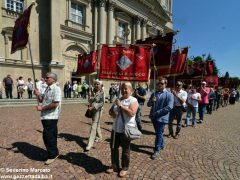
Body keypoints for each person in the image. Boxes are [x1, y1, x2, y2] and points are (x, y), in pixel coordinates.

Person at [107, 82, 138, 177]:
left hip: (126, 129)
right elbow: (111, 112)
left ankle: (125, 167)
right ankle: (115, 165)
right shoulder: (118, 99)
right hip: (115, 128)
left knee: (125, 149)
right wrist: (112, 112)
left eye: (126, 88)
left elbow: (132, 113)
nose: (124, 90)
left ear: (131, 90)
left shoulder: (133, 100)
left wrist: (121, 106)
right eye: (122, 88)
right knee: (113, 147)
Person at [34, 72, 62, 165]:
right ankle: (52, 153)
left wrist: (42, 108)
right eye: (45, 78)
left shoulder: (56, 89)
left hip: (52, 116)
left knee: (48, 136)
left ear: (53, 79)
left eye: (47, 78)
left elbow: (55, 103)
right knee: (49, 136)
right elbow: (42, 100)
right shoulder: (47, 88)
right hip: (45, 116)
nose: (45, 79)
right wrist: (38, 94)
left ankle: (53, 155)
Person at [147, 78, 173, 160]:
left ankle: (157, 150)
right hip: (153, 117)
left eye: (161, 83)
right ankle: (162, 144)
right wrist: (152, 100)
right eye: (159, 83)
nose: (159, 84)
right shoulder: (154, 93)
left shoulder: (169, 94)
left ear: (165, 84)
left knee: (158, 133)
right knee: (159, 132)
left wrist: (158, 113)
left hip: (162, 118)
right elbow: (148, 104)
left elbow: (169, 107)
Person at [85, 79, 104, 151]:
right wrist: (89, 97)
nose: (96, 85)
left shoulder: (102, 92)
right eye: (95, 84)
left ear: (101, 85)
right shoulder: (92, 91)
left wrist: (93, 106)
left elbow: (102, 103)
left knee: (93, 126)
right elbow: (90, 101)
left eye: (98, 84)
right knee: (97, 124)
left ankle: (89, 144)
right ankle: (99, 137)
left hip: (98, 111)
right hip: (91, 110)